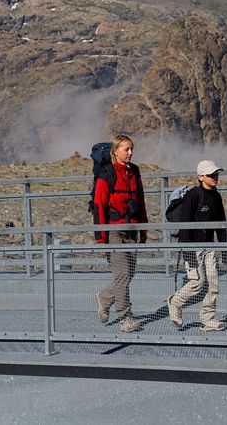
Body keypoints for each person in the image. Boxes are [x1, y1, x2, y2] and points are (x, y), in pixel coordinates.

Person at [93, 133, 148, 332]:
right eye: (127, 149)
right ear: (115, 151)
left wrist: (143, 228)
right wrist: (101, 239)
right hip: (113, 230)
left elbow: (140, 200)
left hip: (132, 228)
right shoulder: (106, 173)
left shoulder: (134, 171)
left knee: (128, 274)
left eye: (132, 149)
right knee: (123, 274)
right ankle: (126, 317)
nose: (131, 153)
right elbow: (99, 206)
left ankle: (104, 297)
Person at [167, 159, 227, 332]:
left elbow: (221, 224)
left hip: (209, 247)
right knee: (197, 282)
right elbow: (185, 226)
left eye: (216, 174)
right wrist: (188, 253)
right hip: (193, 247)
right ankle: (175, 303)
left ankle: (208, 318)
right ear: (201, 176)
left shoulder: (216, 195)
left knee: (214, 283)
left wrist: (225, 253)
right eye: (211, 175)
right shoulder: (192, 196)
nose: (215, 177)